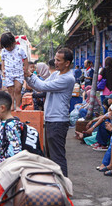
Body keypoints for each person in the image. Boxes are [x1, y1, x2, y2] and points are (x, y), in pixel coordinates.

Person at [24, 48, 75, 176]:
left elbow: (43, 87)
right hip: (51, 119)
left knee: (57, 156)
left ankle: (64, 186)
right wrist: (28, 76)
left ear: (67, 63)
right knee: (51, 156)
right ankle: (57, 185)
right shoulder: (55, 74)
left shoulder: (68, 78)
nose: (55, 62)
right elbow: (40, 87)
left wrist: (30, 75)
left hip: (58, 121)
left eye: (58, 60)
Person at [0, 91, 23, 166]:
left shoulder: (11, 126)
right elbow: (7, 142)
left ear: (2, 108)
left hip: (6, 169)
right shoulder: (3, 122)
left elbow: (15, 153)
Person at [0, 32, 29, 110]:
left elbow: (25, 59)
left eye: (9, 46)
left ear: (14, 42)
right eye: (6, 47)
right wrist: (3, 69)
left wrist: (26, 69)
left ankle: (17, 106)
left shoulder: (20, 49)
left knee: (18, 89)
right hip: (8, 73)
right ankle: (12, 105)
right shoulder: (3, 51)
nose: (8, 48)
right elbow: (2, 60)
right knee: (10, 90)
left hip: (18, 72)